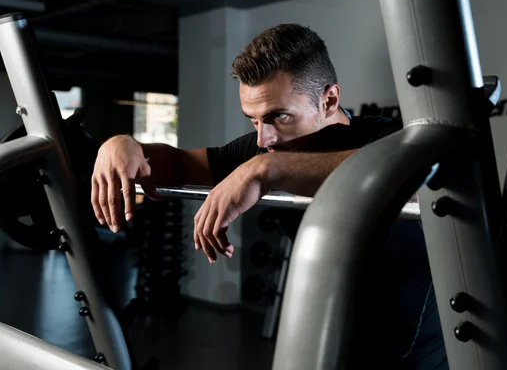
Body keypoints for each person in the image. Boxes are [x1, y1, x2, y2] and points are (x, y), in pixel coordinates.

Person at [91, 23, 448, 369]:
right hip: (333, 339)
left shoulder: (389, 140)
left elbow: (410, 176)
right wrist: (121, 145)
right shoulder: (263, 147)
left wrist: (266, 170)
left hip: (415, 352)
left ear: (329, 100)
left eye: (279, 116)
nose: (264, 139)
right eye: (253, 119)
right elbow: (181, 164)